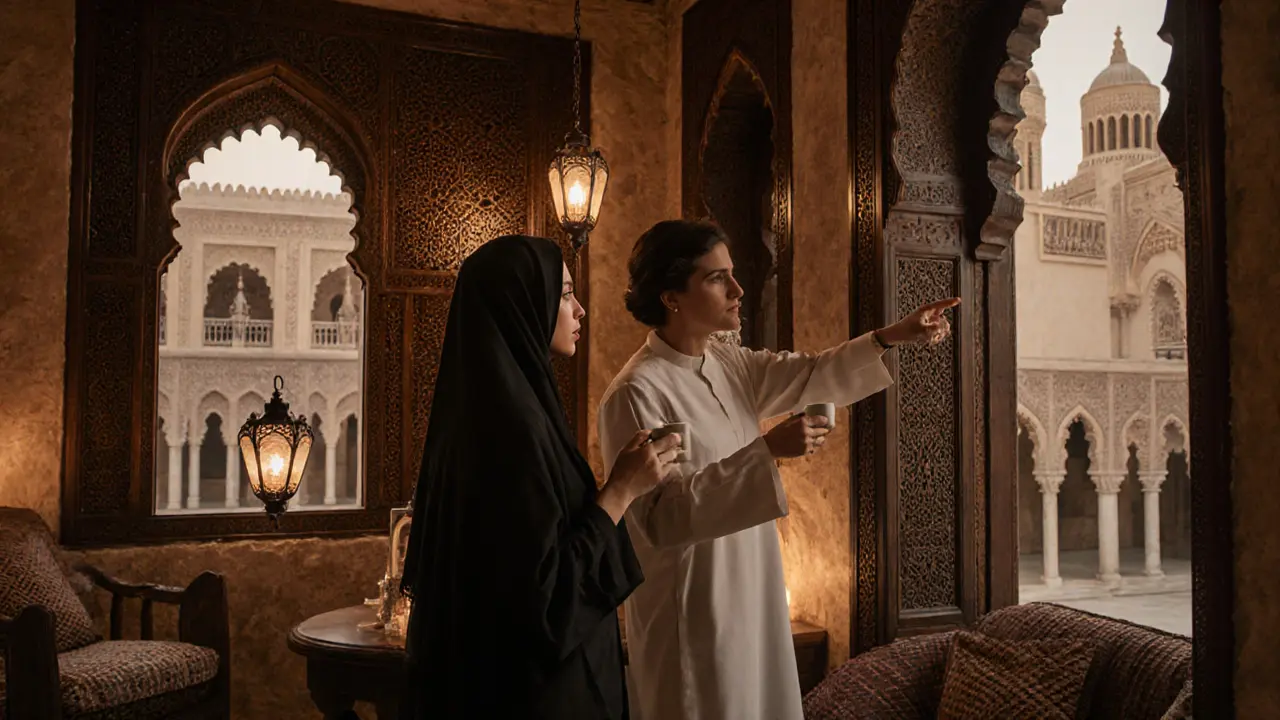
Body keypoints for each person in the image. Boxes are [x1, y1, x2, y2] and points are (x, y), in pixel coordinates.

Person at [598, 220, 959, 720]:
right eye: (717, 278)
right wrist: (765, 452)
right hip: (693, 609)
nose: (738, 290)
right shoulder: (638, 393)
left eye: (733, 274)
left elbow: (813, 372)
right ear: (671, 297)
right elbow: (660, 519)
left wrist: (894, 335)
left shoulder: (730, 365)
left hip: (756, 591)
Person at [399, 234, 684, 720]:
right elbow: (542, 599)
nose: (581, 311)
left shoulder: (492, 415)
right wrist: (619, 491)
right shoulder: (509, 431)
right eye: (566, 293)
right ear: (523, 302)